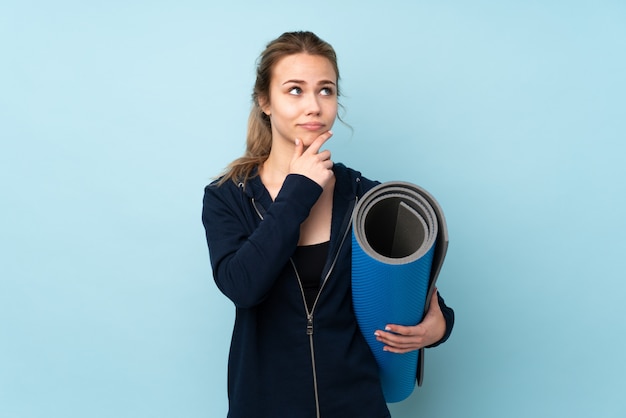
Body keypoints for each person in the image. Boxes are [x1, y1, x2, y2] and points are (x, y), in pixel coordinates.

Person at [202, 31, 454, 418]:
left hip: (357, 406)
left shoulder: (365, 198)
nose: (314, 106)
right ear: (265, 102)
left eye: (325, 90)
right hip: (264, 406)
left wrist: (439, 328)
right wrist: (298, 191)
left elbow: (415, 293)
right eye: (295, 90)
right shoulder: (228, 197)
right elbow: (242, 287)